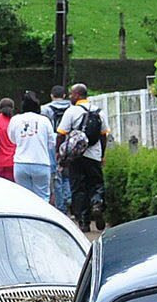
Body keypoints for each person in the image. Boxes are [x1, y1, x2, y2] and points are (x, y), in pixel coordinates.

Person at [58, 82, 108, 231]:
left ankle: (84, 222)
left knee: (78, 188)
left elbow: (61, 134)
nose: (70, 96)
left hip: (76, 157)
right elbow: (104, 136)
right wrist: (102, 155)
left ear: (78, 95)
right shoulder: (99, 112)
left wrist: (60, 154)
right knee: (96, 184)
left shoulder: (71, 111)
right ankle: (97, 203)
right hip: (94, 156)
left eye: (72, 94)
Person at [10, 91, 54, 202]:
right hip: (41, 162)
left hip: (21, 163)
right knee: (43, 197)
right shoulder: (44, 120)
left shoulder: (15, 119)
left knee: (24, 198)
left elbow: (12, 139)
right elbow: (51, 142)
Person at [44, 85, 74, 212]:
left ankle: (61, 208)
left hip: (53, 144)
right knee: (68, 174)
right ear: (64, 96)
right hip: (71, 143)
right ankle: (70, 200)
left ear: (51, 95)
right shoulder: (72, 109)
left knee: (57, 176)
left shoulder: (45, 109)